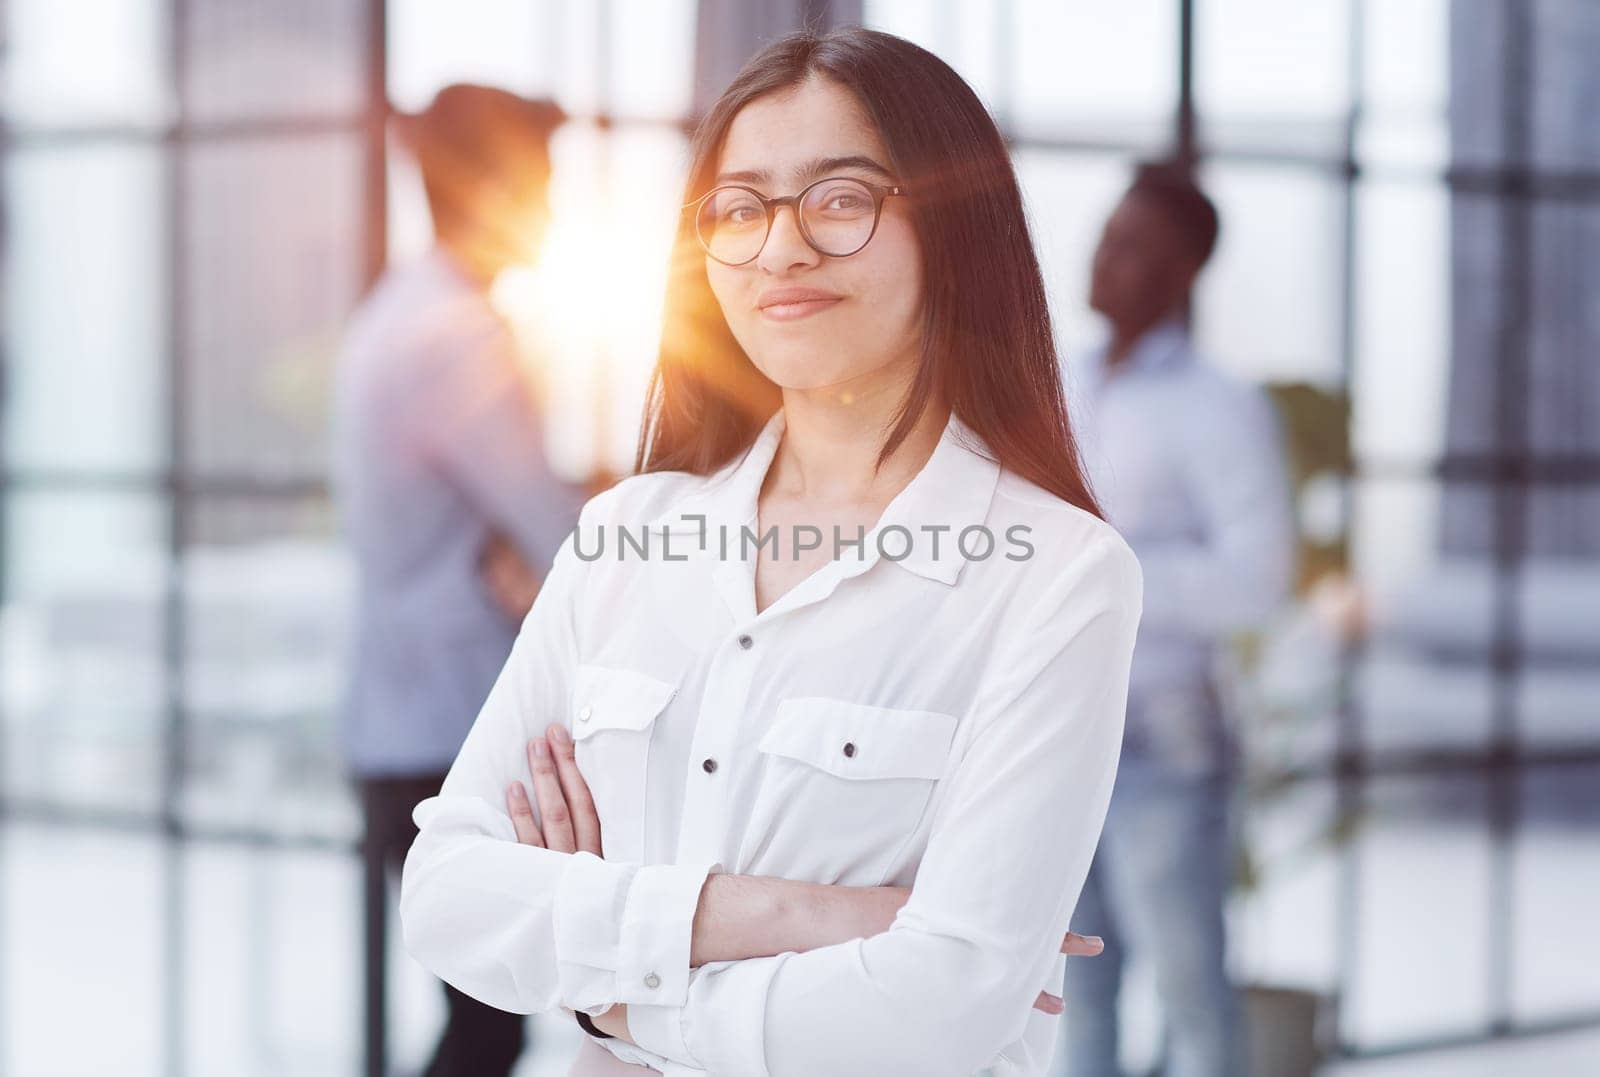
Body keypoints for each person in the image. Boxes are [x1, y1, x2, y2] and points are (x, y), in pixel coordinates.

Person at [399, 29, 1143, 1077]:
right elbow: (443, 896)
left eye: (840, 198)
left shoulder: (1057, 574)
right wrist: (791, 913)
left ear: (950, 226)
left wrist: (608, 993)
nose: (780, 248)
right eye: (739, 208)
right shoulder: (629, 533)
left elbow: (941, 1009)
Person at [332, 83, 584, 1077]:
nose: (556, 213)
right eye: (542, 186)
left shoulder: (400, 310)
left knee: (480, 1020)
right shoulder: (458, 335)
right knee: (487, 1025)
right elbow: (561, 535)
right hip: (449, 731)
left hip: (401, 722)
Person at [1053, 164, 1295, 1077]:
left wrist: (1108, 568)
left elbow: (1257, 580)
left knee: (1192, 992)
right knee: (1075, 993)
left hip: (1164, 731)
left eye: (1130, 247)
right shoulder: (1055, 383)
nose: (1101, 258)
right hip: (1061, 730)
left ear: (1181, 271)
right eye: (1104, 235)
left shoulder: (1218, 407)